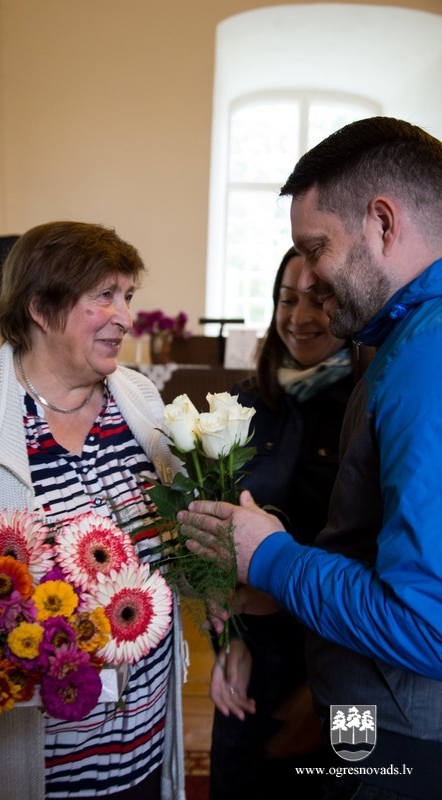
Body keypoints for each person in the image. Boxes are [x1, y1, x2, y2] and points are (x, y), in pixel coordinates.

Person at [179, 117, 442, 800]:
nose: (314, 282)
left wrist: (269, 556)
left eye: (316, 248)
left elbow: (428, 622)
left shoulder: (426, 356)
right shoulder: (405, 340)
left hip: (403, 729)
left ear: (383, 221)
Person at [0, 221, 186, 800]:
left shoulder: (140, 399)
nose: (126, 317)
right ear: (40, 306)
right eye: (104, 296)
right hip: (29, 771)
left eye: (127, 295)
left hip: (143, 753)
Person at [207, 245, 359, 799]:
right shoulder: (245, 405)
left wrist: (329, 686)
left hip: (347, 660)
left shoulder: (371, 406)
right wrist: (227, 641)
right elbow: (216, 533)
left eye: (319, 301)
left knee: (348, 780)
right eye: (286, 299)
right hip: (255, 659)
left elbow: (375, 553)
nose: (298, 317)